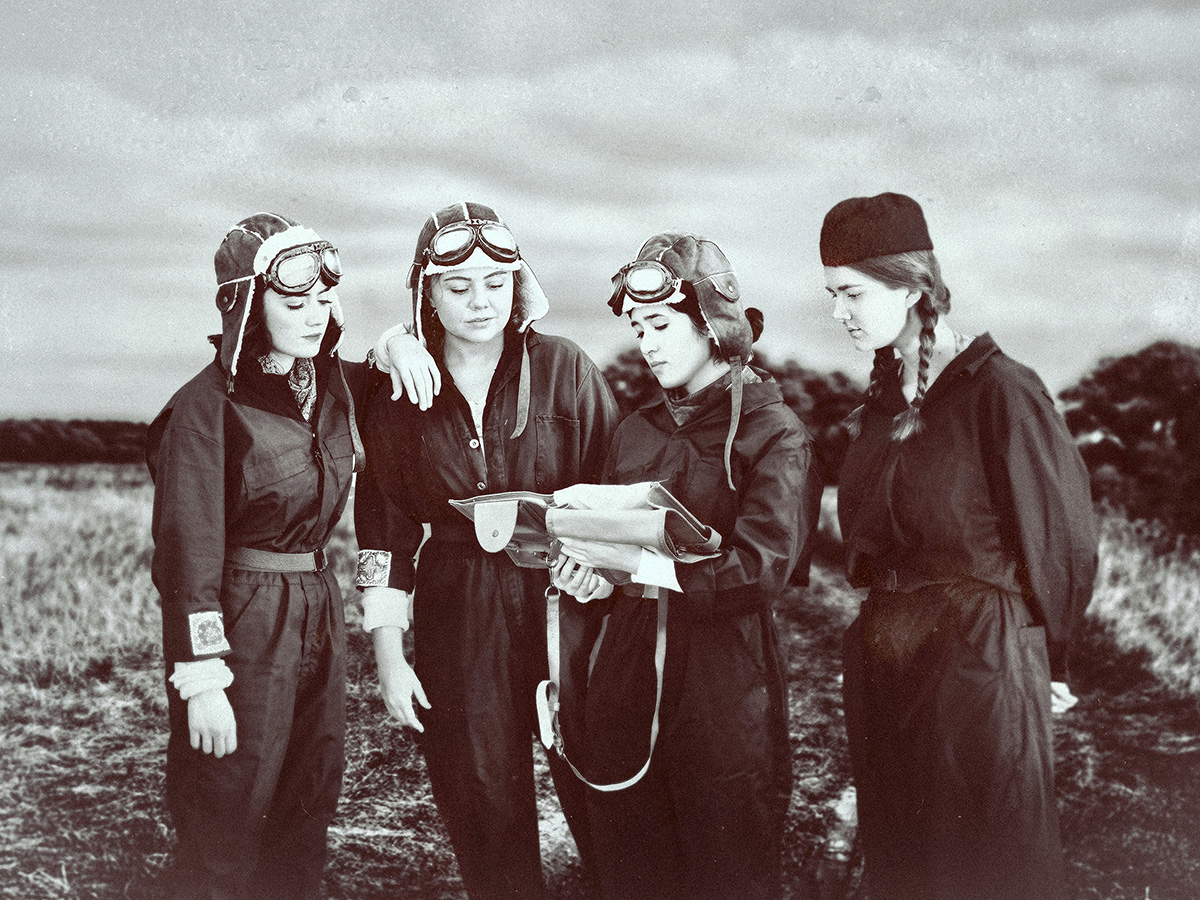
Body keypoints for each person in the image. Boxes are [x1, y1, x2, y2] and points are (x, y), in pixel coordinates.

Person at [820, 192, 1098, 900]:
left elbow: (1061, 536)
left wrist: (1053, 659)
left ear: (912, 286)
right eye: (831, 295)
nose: (838, 313)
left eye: (850, 292)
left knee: (983, 867)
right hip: (889, 667)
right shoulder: (880, 407)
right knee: (905, 868)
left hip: (977, 667)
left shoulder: (1001, 392)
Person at [353, 201, 621, 900]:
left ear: (519, 284)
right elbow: (384, 529)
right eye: (457, 285)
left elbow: (616, 494)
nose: (480, 301)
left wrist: (598, 575)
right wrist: (388, 654)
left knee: (607, 794)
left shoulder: (565, 368)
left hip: (568, 598)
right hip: (457, 610)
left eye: (496, 282)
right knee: (482, 800)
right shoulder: (392, 393)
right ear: (426, 294)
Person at [548, 233, 820, 900]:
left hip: (723, 675)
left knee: (726, 857)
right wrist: (592, 579)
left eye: (662, 324)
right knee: (631, 858)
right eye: (639, 328)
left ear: (712, 324)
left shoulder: (773, 429)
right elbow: (610, 557)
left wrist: (650, 571)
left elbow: (763, 567)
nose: (649, 342)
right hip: (627, 667)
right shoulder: (635, 430)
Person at [147, 213, 374, 899]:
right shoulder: (204, 409)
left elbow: (398, 378)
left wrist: (402, 345)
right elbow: (188, 553)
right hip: (243, 618)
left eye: (324, 301)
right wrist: (202, 676)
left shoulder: (333, 389)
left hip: (318, 604)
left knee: (309, 796)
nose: (314, 316)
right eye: (293, 301)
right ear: (248, 302)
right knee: (227, 807)